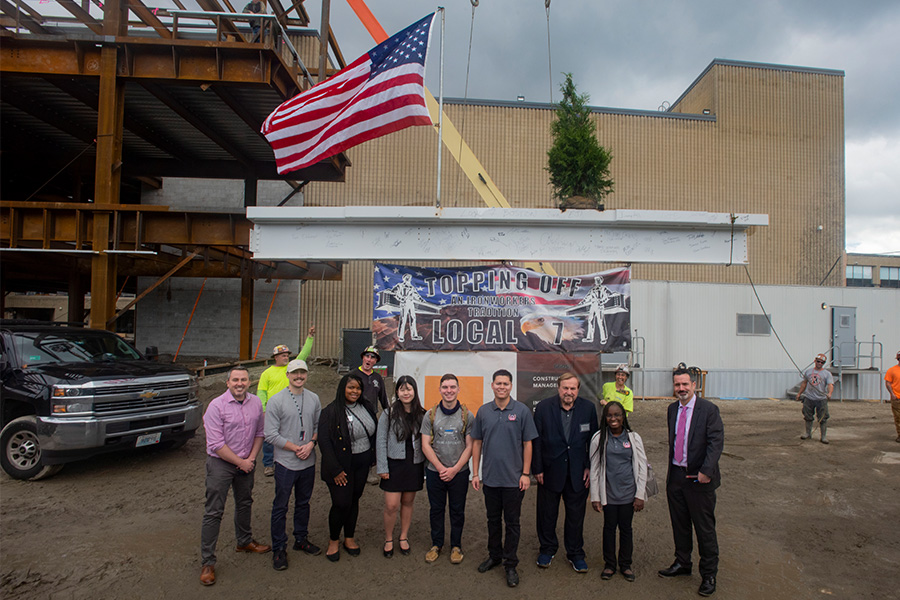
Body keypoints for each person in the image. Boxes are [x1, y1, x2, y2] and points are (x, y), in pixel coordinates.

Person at [199, 366, 271, 586]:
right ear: (227, 383)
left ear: (250, 382)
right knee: (214, 511)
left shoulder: (256, 403)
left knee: (245, 502)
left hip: (246, 461)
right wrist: (241, 462)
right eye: (235, 380)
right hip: (222, 463)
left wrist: (250, 459)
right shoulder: (216, 406)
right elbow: (217, 444)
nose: (240, 383)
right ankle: (208, 561)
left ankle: (244, 541)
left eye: (244, 380)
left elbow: (260, 433)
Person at [658, 367, 724, 598]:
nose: (681, 389)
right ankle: (682, 562)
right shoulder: (672, 409)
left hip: (699, 478)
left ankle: (708, 574)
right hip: (676, 476)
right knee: (680, 524)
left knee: (704, 528)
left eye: (685, 384)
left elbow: (716, 442)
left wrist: (706, 471)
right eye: (677, 385)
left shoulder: (708, 410)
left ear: (694, 385)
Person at [471, 369, 538, 588]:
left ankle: (510, 564)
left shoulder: (522, 411)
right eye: (498, 383)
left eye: (505, 383)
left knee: (512, 523)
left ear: (511, 386)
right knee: (492, 521)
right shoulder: (483, 412)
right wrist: (475, 472)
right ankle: (495, 556)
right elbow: (477, 443)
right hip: (490, 479)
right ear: (492, 385)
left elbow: (528, 443)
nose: (502, 387)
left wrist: (526, 474)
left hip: (514, 481)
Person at [531, 373, 598, 572]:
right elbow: (536, 441)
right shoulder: (543, 408)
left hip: (578, 474)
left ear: (578, 389)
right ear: (558, 388)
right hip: (550, 472)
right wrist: (538, 468)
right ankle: (547, 549)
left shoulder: (588, 408)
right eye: (565, 388)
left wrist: (588, 466)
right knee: (546, 514)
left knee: (576, 517)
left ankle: (576, 553)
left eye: (573, 388)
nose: (569, 392)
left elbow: (593, 441)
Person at [264, 359, 322, 571]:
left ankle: (301, 538)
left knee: (303, 502)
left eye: (303, 373)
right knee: (281, 505)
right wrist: (294, 447)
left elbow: (318, 425)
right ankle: (279, 547)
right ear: (287, 375)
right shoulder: (276, 401)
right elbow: (270, 434)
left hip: (308, 461)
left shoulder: (314, 398)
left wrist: (311, 443)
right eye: (295, 373)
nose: (299, 377)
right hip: (286, 462)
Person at [317, 373, 377, 562]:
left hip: (362, 464)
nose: (355, 391)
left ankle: (349, 538)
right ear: (342, 388)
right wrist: (335, 470)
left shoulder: (366, 406)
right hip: (340, 467)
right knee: (341, 503)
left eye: (358, 388)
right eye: (351, 387)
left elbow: (373, 433)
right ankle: (334, 540)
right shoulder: (330, 411)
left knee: (354, 500)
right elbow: (324, 442)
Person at [589, 401, 647, 582]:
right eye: (609, 415)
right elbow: (595, 469)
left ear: (623, 417)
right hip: (609, 494)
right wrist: (595, 496)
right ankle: (609, 564)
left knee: (626, 529)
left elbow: (642, 465)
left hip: (629, 494)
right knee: (609, 529)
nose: (613, 418)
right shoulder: (598, 438)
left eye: (617, 415)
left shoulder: (633, 438)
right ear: (605, 418)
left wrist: (640, 495)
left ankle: (626, 564)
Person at [421, 373, 475, 565]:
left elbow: (470, 446)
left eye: (452, 387)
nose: (449, 391)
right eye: (445, 387)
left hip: (459, 474)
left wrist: (454, 469)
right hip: (435, 472)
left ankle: (456, 546)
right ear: (440, 390)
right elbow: (425, 445)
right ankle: (436, 545)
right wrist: (441, 467)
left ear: (458, 389)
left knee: (457, 510)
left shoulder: (467, 415)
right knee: (436, 509)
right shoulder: (430, 414)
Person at [376, 375, 426, 558]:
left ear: (414, 391)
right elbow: (380, 440)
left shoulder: (422, 413)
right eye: (402, 389)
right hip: (393, 465)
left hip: (414, 465)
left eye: (409, 389)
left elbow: (427, 442)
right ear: (397, 392)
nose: (406, 392)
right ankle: (388, 538)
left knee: (408, 502)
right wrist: (382, 467)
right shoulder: (388, 414)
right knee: (391, 505)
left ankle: (403, 536)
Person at [257, 327, 316, 476]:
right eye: (282, 355)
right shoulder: (267, 373)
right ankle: (269, 463)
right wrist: (263, 409)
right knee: (270, 436)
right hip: (274, 409)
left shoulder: (293, 368)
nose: (285, 357)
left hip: (293, 407)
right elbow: (261, 392)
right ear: (275, 357)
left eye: (287, 355)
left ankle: (295, 455)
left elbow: (304, 353)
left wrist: (310, 337)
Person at [797, 353, 834, 444]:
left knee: (823, 418)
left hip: (821, 399)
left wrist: (829, 393)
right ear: (815, 361)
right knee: (807, 416)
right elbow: (804, 383)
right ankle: (808, 433)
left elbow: (830, 385)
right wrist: (799, 393)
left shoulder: (827, 374)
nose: (820, 363)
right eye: (818, 361)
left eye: (822, 362)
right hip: (809, 398)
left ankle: (823, 437)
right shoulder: (808, 372)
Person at [357, 345, 389, 411]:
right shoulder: (352, 375)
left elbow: (383, 399)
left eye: (372, 357)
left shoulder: (378, 377)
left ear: (375, 361)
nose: (369, 359)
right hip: (356, 414)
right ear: (363, 357)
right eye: (367, 356)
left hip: (372, 415)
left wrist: (389, 414)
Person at [886, 350, 900, 443]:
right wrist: (892, 394)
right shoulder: (892, 370)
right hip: (897, 398)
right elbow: (888, 382)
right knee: (898, 417)